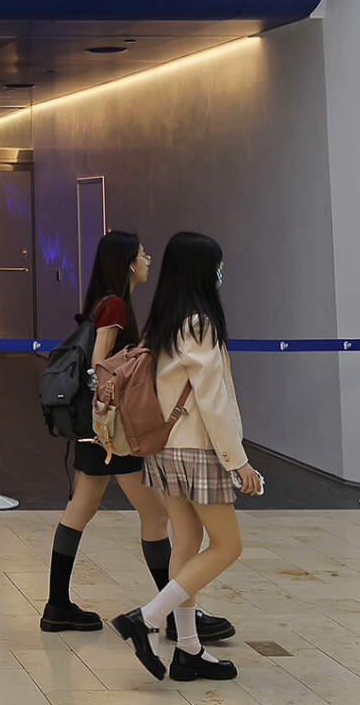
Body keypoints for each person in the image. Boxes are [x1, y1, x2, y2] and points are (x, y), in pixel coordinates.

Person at [42, 233, 235, 645]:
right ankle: (169, 609)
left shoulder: (106, 300)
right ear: (128, 263)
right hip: (114, 429)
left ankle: (58, 604)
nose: (147, 259)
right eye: (142, 253)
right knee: (156, 515)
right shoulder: (114, 304)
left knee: (81, 508)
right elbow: (101, 366)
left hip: (100, 427)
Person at [110, 232, 261, 685]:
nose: (222, 273)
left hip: (166, 451)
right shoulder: (200, 323)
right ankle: (147, 617)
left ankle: (189, 649)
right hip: (198, 451)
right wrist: (238, 461)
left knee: (186, 542)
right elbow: (213, 401)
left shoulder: (165, 321)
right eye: (218, 265)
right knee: (228, 546)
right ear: (201, 270)